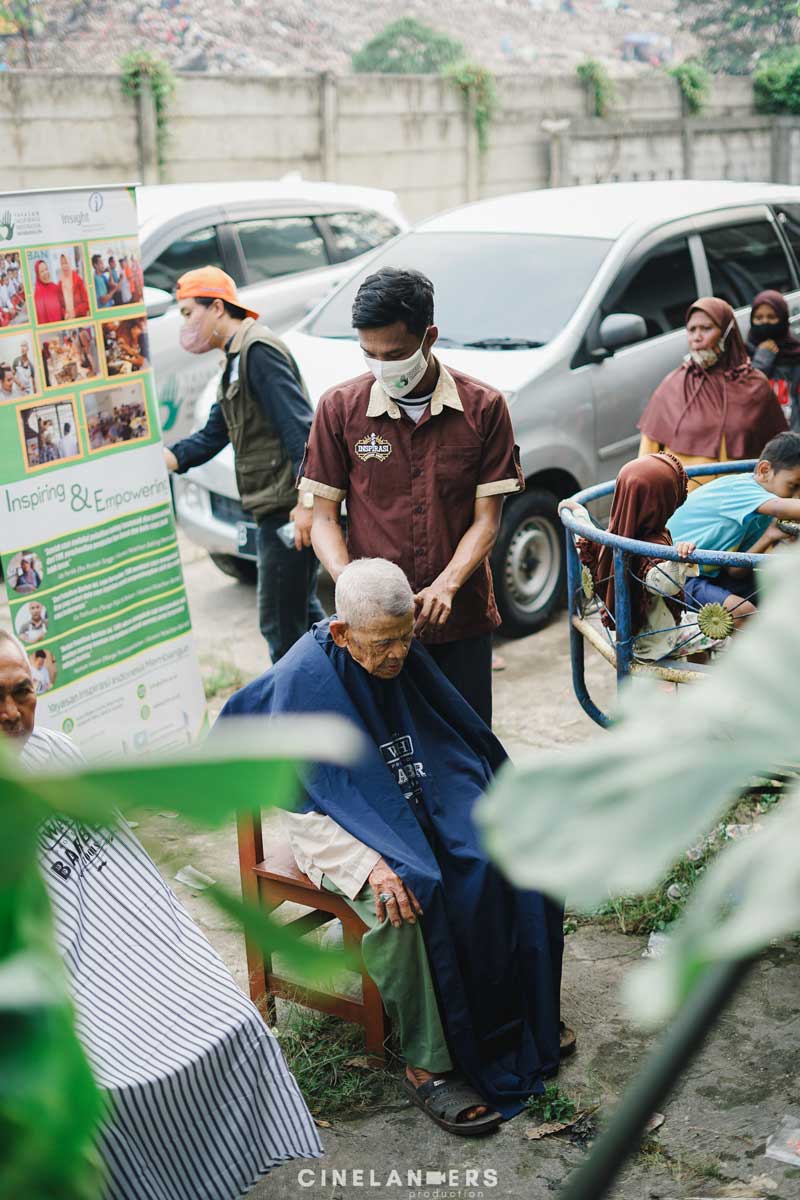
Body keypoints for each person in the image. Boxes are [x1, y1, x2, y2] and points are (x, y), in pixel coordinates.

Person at [221, 558, 566, 1136]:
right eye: (384, 643)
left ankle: (520, 1014)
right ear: (340, 632)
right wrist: (371, 865)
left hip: (411, 805)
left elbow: (449, 746)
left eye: (407, 638)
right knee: (401, 900)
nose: (399, 655)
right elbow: (306, 810)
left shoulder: (397, 651)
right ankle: (427, 1063)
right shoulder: (302, 684)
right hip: (334, 834)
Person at [0, 629, 322, 1198]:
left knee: (235, 1021)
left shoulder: (58, 755)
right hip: (51, 988)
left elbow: (133, 880)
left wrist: (180, 954)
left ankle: (216, 1175)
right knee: (110, 1088)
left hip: (129, 952)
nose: (10, 713)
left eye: (22, 691)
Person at [299, 268, 523, 726]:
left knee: (467, 740)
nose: (382, 366)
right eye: (370, 354)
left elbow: (487, 521)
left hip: (460, 618)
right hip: (374, 629)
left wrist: (447, 585)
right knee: (390, 745)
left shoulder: (484, 408)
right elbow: (323, 518)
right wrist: (352, 584)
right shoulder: (339, 409)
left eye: (395, 354)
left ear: (429, 337)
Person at [164, 266, 324, 663]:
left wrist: (307, 505)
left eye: (188, 313)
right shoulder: (234, 361)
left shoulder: (259, 352)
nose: (185, 324)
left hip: (285, 510)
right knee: (302, 616)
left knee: (280, 627)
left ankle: (299, 698)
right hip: (273, 506)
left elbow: (300, 431)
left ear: (217, 307)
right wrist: (167, 459)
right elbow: (213, 433)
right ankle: (342, 687)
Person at [559, 452, 715, 661]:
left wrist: (579, 514)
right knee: (721, 635)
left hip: (629, 632)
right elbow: (663, 584)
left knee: (697, 626)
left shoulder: (613, 537)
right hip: (656, 641)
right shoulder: (650, 546)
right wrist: (679, 560)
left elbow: (585, 539)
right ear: (662, 502)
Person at [638, 297, 786, 490]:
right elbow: (645, 463)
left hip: (741, 501)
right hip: (685, 502)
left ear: (727, 332)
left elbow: (780, 456)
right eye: (692, 330)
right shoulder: (672, 387)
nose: (697, 337)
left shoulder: (755, 385)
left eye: (706, 329)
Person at [667, 431, 800, 628]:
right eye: (793, 486)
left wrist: (768, 536)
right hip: (674, 575)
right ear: (764, 470)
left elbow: (735, 571)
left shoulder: (763, 513)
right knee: (742, 613)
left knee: (783, 587)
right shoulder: (742, 490)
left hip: (711, 573)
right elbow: (784, 507)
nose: (796, 496)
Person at [746, 290, 800, 432]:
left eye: (771, 317)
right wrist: (761, 360)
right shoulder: (743, 356)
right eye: (759, 318)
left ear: (783, 319)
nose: (765, 322)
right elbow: (746, 393)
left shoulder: (795, 356)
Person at [58, 251, 89, 319]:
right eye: (62, 264)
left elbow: (86, 302)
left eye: (66, 263)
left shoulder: (78, 280)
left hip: (80, 319)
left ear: (69, 263)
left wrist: (75, 312)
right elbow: (59, 306)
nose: (64, 266)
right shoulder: (60, 284)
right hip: (68, 320)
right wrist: (65, 314)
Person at [33, 258, 65, 324]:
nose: (46, 273)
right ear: (38, 275)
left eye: (46, 269)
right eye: (42, 271)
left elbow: (63, 307)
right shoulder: (37, 294)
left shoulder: (55, 287)